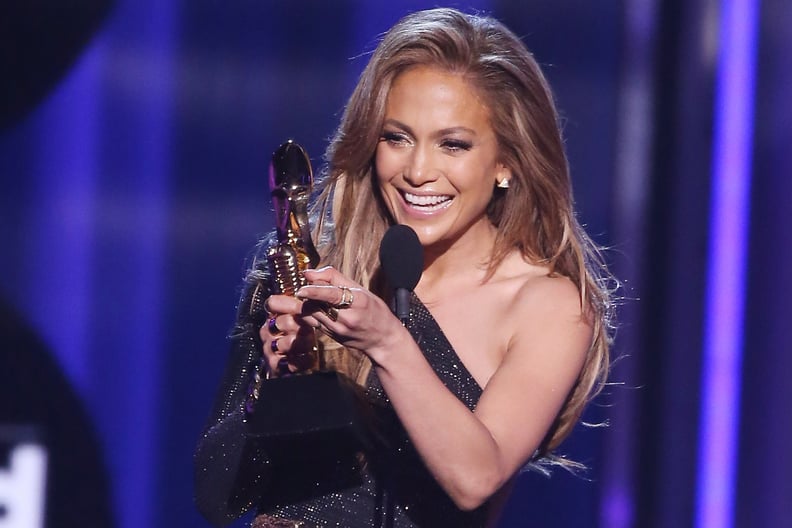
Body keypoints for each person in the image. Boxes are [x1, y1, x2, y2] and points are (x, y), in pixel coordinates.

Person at [194, 7, 616, 528]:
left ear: (506, 162)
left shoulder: (545, 306)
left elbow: (474, 479)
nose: (418, 171)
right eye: (397, 138)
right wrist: (273, 387)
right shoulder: (311, 273)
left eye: (453, 145)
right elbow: (217, 499)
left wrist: (387, 343)